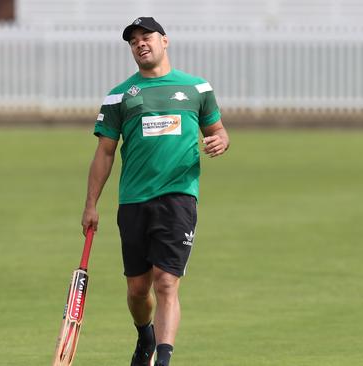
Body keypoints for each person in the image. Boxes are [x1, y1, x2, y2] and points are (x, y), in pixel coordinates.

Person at [81, 17, 230, 366]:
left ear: (165, 41)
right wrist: (91, 205)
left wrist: (221, 140)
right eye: (133, 41)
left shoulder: (197, 89)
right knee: (137, 290)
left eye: (146, 37)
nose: (140, 44)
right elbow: (104, 153)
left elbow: (219, 130)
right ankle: (144, 334)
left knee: (166, 282)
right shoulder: (120, 95)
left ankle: (162, 359)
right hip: (133, 200)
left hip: (178, 197)